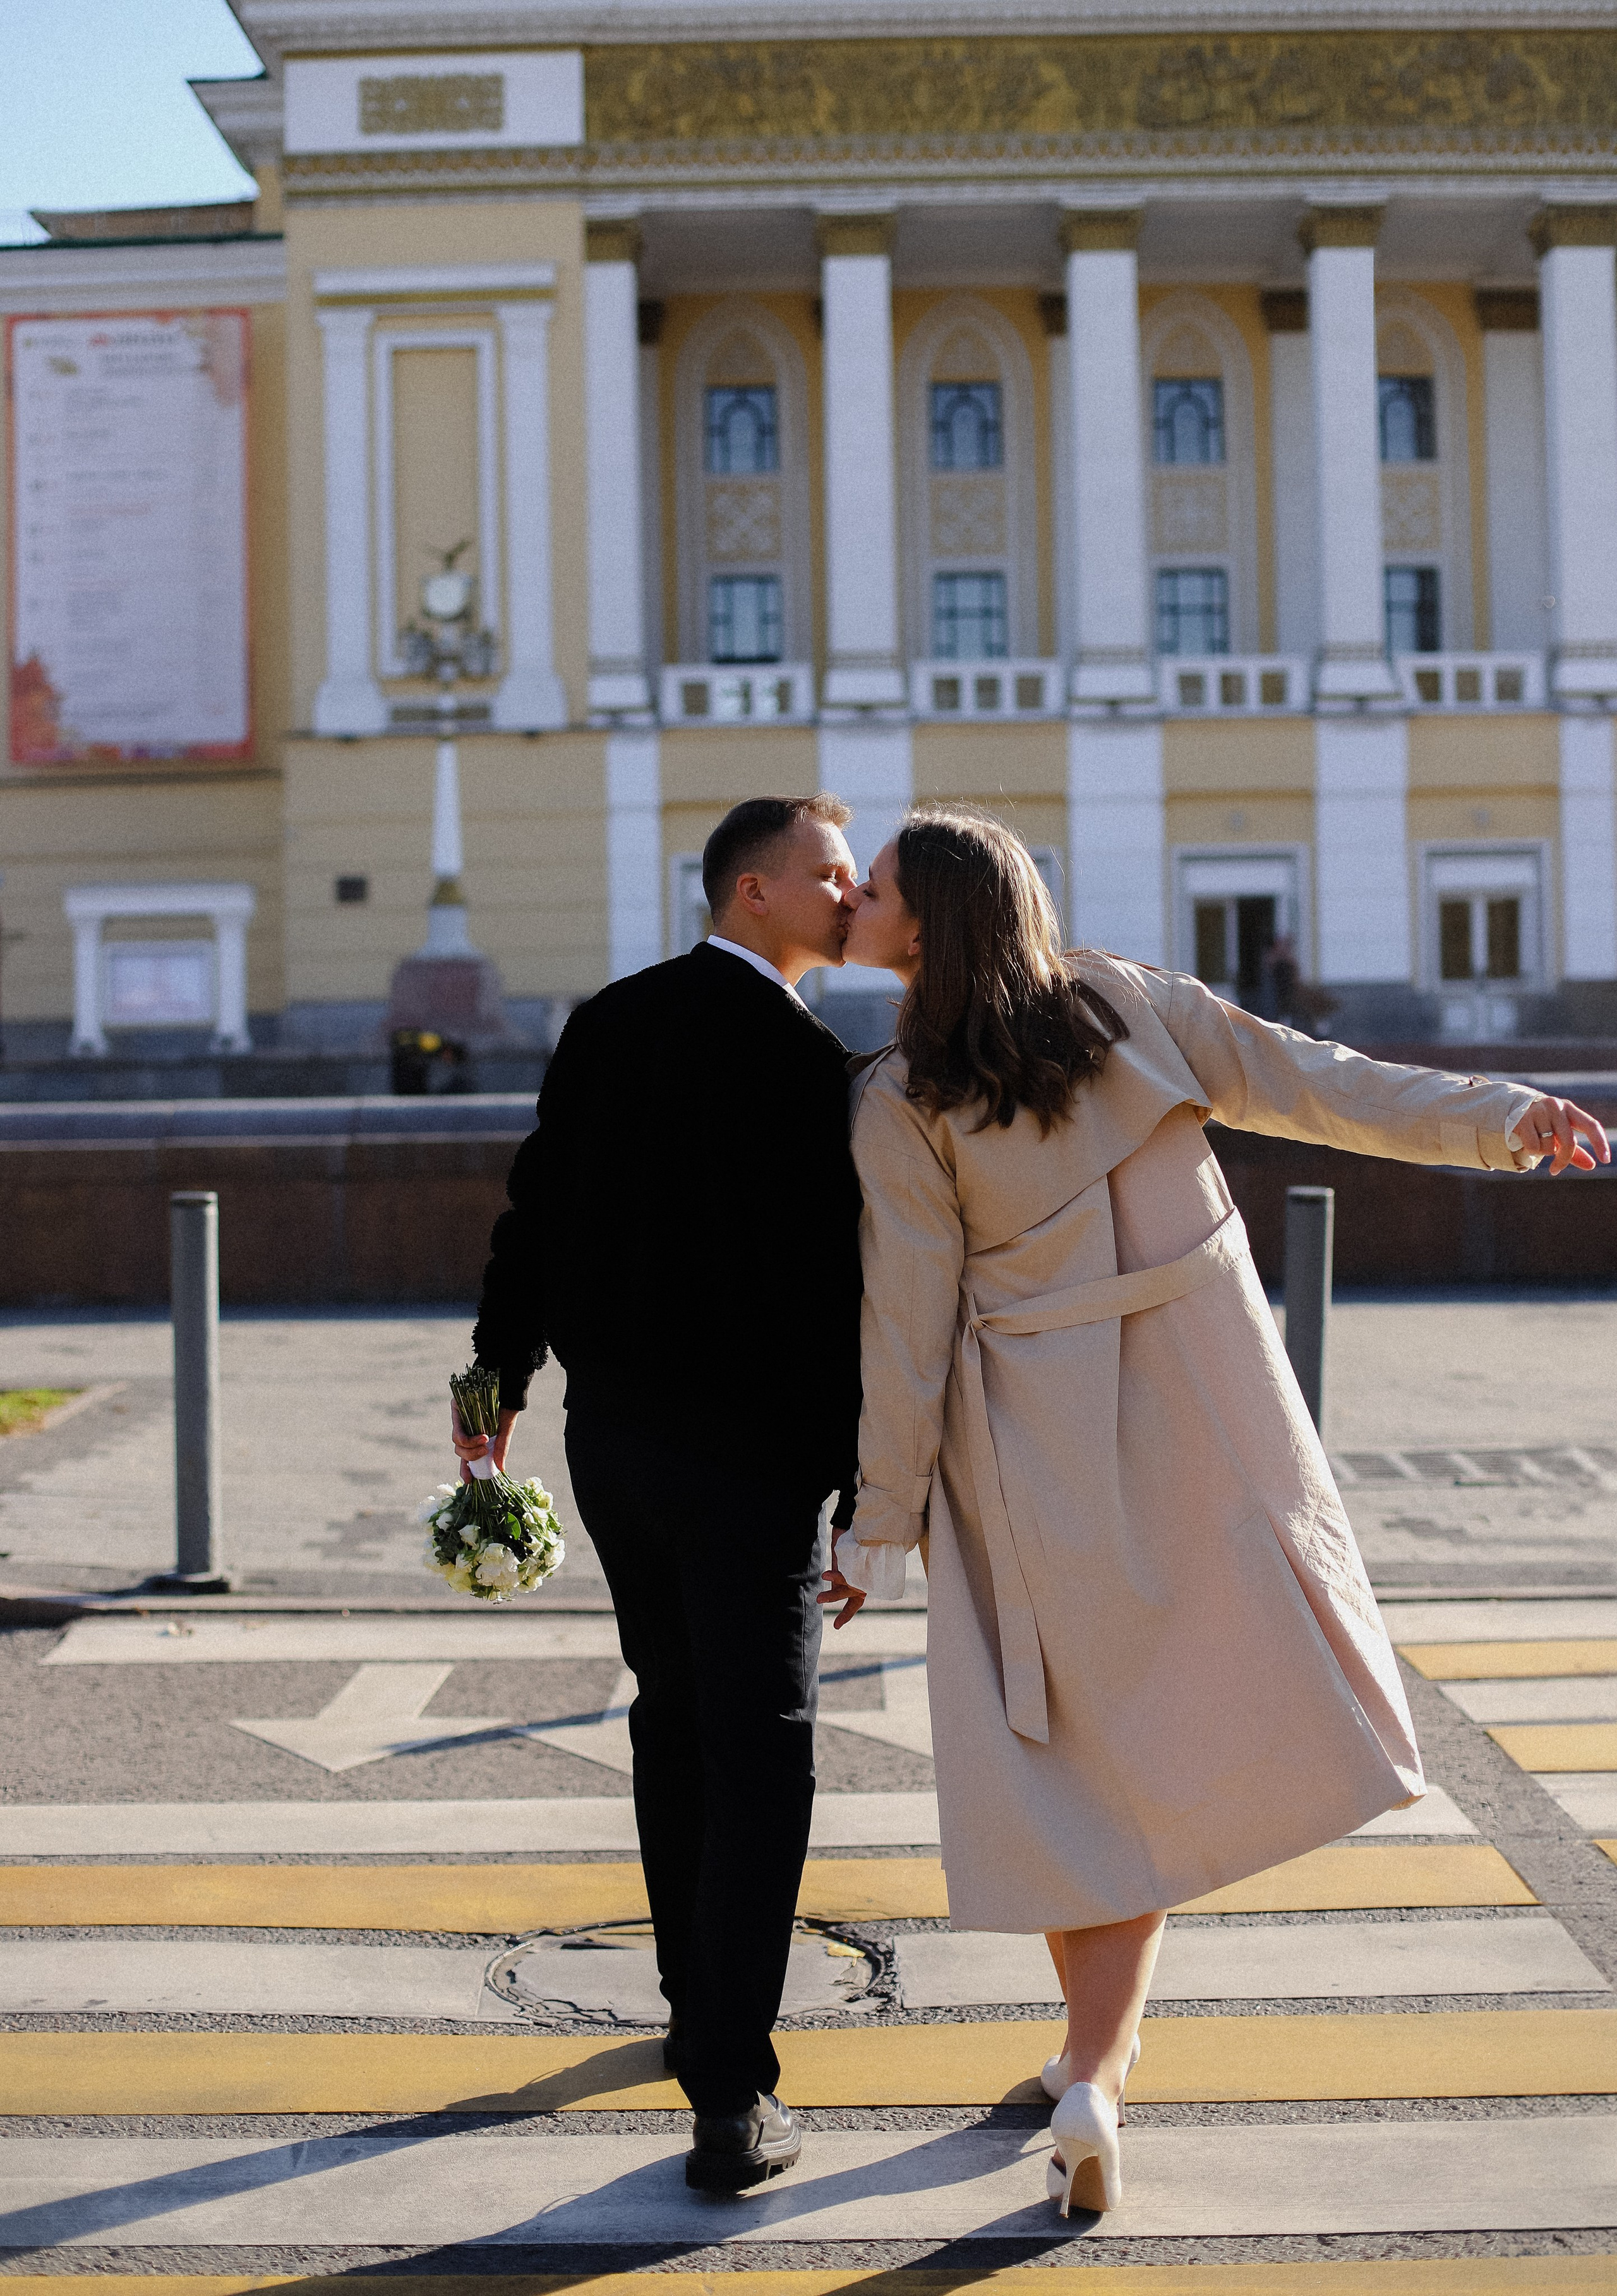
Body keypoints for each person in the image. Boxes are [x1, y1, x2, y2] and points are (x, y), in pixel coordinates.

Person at [827, 804, 1609, 2220]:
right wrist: (1505, 1120)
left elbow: (908, 1323)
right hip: (1206, 1413)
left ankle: (1090, 2069)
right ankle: (1092, 2065)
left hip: (1027, 1450)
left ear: (928, 927)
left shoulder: (900, 1096)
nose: (851, 904)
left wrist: (877, 1521)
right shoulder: (1128, 1005)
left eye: (872, 888)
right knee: (1156, 1743)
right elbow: (1325, 1085)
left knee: (1068, 1764)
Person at [460, 793, 864, 2192]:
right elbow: (837, 1292)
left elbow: (535, 1209)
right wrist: (865, 1483)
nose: (851, 895)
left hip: (617, 1448)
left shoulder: (611, 1021)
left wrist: (491, 1389)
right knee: (762, 1753)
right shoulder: (812, 1065)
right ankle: (730, 2095)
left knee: (673, 1717)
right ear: (752, 890)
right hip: (753, 1465)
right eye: (830, 874)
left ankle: (700, 2007)